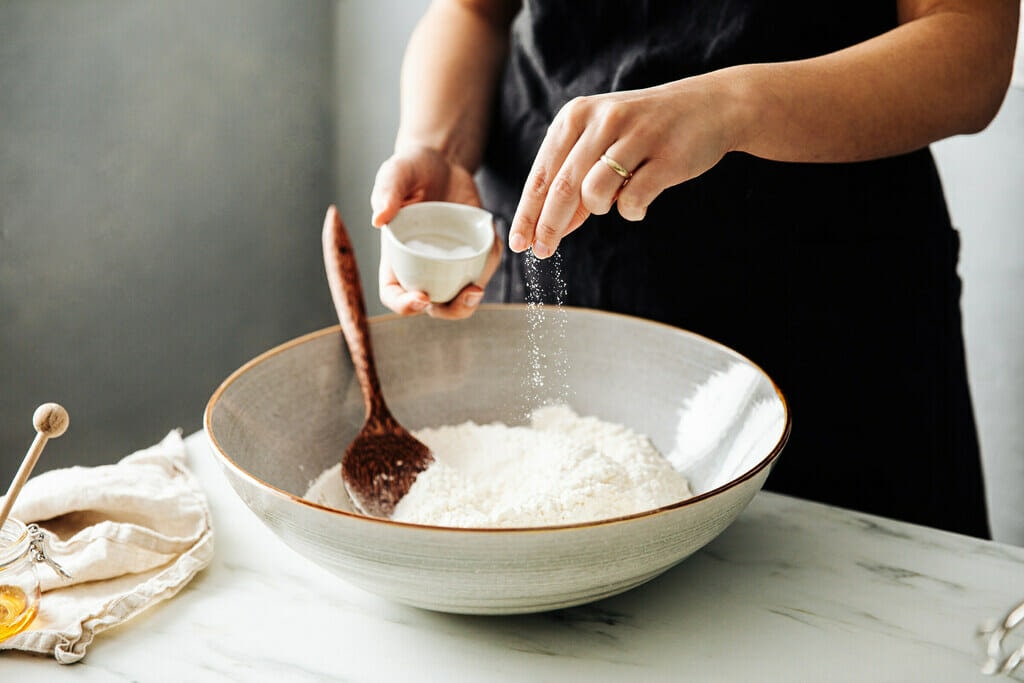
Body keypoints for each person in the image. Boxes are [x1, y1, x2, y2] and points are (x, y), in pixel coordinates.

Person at [368, 0, 1020, 539]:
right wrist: (436, 148)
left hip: (837, 319)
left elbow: (970, 51)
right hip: (563, 276)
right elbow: (473, 13)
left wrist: (732, 105)